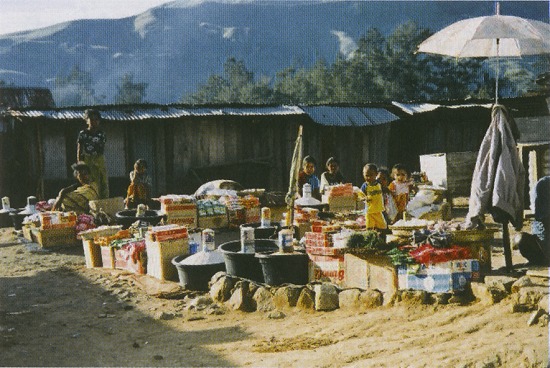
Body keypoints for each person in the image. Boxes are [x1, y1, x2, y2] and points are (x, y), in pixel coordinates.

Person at [516, 176, 550, 265]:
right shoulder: (544, 184)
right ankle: (540, 261)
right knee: (520, 238)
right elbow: (542, 217)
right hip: (542, 247)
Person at [77, 109, 109, 199]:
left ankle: (103, 204)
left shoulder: (101, 134)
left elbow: (101, 149)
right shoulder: (83, 134)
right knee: (91, 183)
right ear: (87, 120)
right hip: (88, 159)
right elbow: (79, 150)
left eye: (96, 119)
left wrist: (97, 161)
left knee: (103, 182)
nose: (94, 122)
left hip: (99, 159)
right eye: (91, 119)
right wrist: (80, 166)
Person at [360, 163, 387, 231]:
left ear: (376, 174)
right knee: (369, 226)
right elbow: (360, 195)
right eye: (366, 175)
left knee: (382, 226)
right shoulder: (365, 186)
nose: (368, 178)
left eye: (371, 175)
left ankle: (381, 239)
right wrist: (364, 198)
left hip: (378, 209)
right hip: (369, 211)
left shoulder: (379, 183)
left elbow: (385, 190)